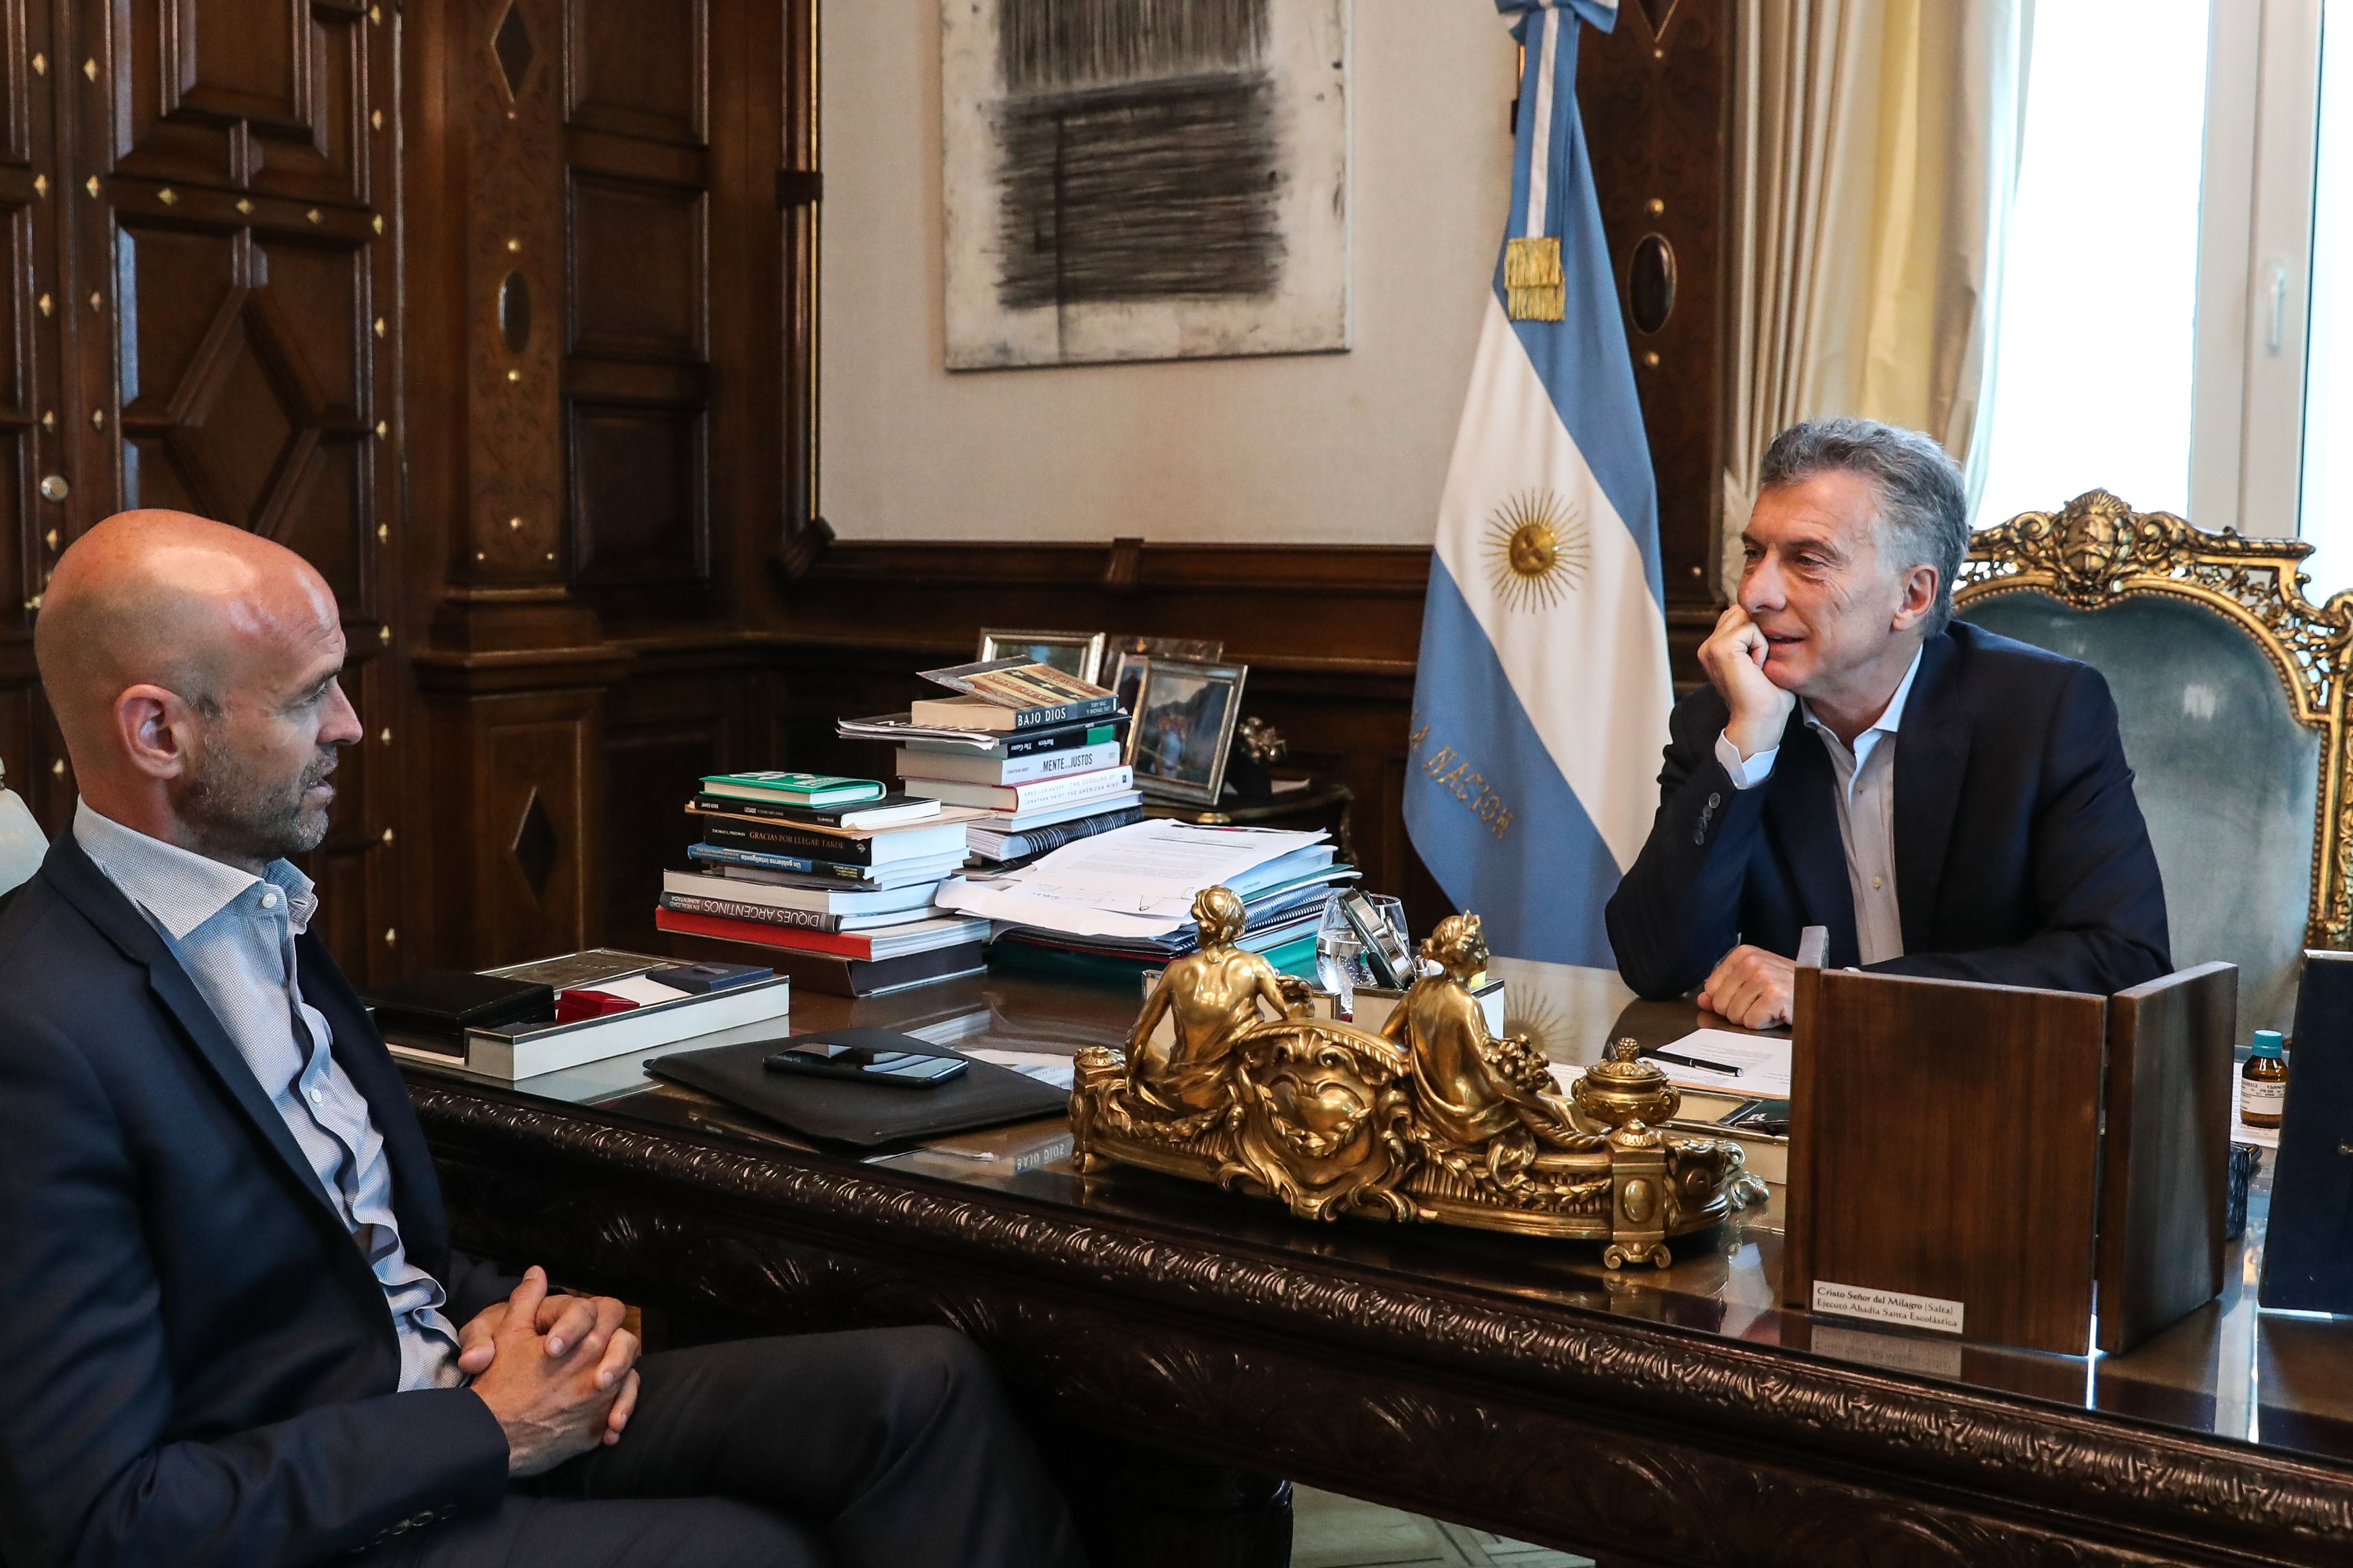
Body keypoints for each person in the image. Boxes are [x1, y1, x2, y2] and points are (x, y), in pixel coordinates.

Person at [0, 510, 1087, 1568]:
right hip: (351, 1506)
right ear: (157, 731)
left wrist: (536, 1320)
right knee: (758, 1551)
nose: (351, 727)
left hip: (460, 1400)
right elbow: (102, 1522)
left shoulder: (261, 903)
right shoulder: (40, 1033)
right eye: (308, 696)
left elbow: (363, 1253)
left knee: (921, 1392)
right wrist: (489, 1433)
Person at [1605, 418, 2171, 1029]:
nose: (1756, 593)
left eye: (1808, 560)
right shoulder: (1726, 718)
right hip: (1798, 1105)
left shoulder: (2042, 712)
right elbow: (1655, 964)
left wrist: (1842, 996)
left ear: (1912, 597)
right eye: (1753, 554)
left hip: (1997, 1088)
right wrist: (1747, 750)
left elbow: (2122, 963)